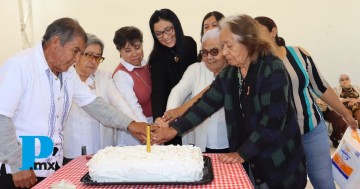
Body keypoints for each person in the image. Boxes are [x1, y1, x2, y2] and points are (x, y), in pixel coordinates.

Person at [152, 15, 307, 189]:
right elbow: (205, 105)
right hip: (251, 164)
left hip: (280, 164)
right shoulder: (230, 74)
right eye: (223, 46)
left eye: (228, 46)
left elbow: (272, 122)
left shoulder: (272, 68)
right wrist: (174, 130)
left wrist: (242, 153)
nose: (224, 52)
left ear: (248, 41)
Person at [0, 18, 147, 189]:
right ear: (56, 42)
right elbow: (2, 118)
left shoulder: (68, 74)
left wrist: (131, 124)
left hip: (49, 166)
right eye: (75, 51)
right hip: (19, 169)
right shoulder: (20, 66)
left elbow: (95, 105)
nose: (77, 58)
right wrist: (18, 164)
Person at [255, 16, 358, 189]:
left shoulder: (299, 53)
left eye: (258, 31)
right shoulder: (256, 63)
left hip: (312, 130)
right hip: (280, 138)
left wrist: (346, 113)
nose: (254, 36)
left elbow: (321, 86)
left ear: (273, 31)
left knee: (324, 182)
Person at [63, 33, 139, 164]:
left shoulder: (104, 77)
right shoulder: (64, 77)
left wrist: (136, 124)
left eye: (98, 57)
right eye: (89, 55)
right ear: (77, 54)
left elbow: (120, 103)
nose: (93, 61)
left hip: (103, 150)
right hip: (72, 149)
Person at [163, 28, 229, 153]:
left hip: (229, 142)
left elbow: (208, 100)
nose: (209, 57)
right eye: (205, 52)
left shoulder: (234, 73)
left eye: (214, 52)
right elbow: (178, 92)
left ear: (225, 50)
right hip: (201, 142)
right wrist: (168, 118)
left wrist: (180, 111)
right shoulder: (196, 69)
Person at [148, 8, 197, 145]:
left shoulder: (190, 44)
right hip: (171, 114)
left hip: (193, 109)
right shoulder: (156, 58)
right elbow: (158, 92)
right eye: (159, 33)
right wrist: (160, 120)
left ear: (176, 25)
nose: (165, 36)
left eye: (168, 29)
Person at [112, 26, 152, 146]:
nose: (135, 54)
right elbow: (133, 107)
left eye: (137, 47)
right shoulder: (121, 74)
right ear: (120, 51)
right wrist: (148, 130)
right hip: (135, 128)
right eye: (128, 50)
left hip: (150, 123)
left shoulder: (146, 65)